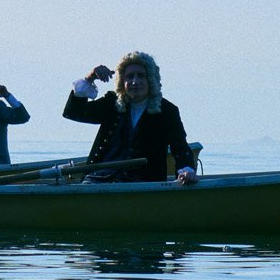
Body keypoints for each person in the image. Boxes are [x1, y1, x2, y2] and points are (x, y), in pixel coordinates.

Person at [65, 52, 198, 185]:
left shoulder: (167, 111)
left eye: (141, 76)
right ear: (122, 82)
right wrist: (90, 78)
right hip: (99, 179)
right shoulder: (112, 103)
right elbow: (74, 112)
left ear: (150, 79)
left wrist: (185, 171)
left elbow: (180, 148)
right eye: (129, 77)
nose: (135, 82)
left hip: (144, 184)